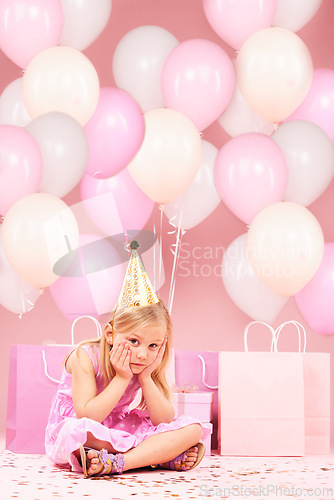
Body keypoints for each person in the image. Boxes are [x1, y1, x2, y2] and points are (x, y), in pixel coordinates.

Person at [45, 240, 209, 477]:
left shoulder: (144, 364)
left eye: (153, 345)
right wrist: (122, 378)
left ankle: (120, 462)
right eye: (134, 341)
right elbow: (88, 416)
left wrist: (145, 377)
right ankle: (157, 457)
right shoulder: (85, 356)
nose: (142, 354)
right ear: (110, 334)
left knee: (193, 429)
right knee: (79, 433)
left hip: (114, 428)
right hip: (84, 428)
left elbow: (164, 419)